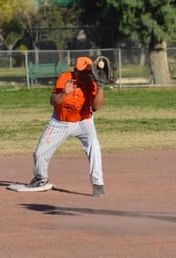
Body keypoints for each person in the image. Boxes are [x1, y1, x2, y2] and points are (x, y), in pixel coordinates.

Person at [27, 56, 106, 197]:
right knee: (40, 153)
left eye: (88, 72)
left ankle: (98, 184)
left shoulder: (93, 85)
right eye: (82, 72)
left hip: (84, 122)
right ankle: (41, 178)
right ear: (75, 70)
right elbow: (53, 101)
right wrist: (64, 93)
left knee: (94, 146)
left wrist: (100, 87)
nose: (86, 75)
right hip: (59, 122)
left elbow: (96, 107)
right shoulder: (65, 78)